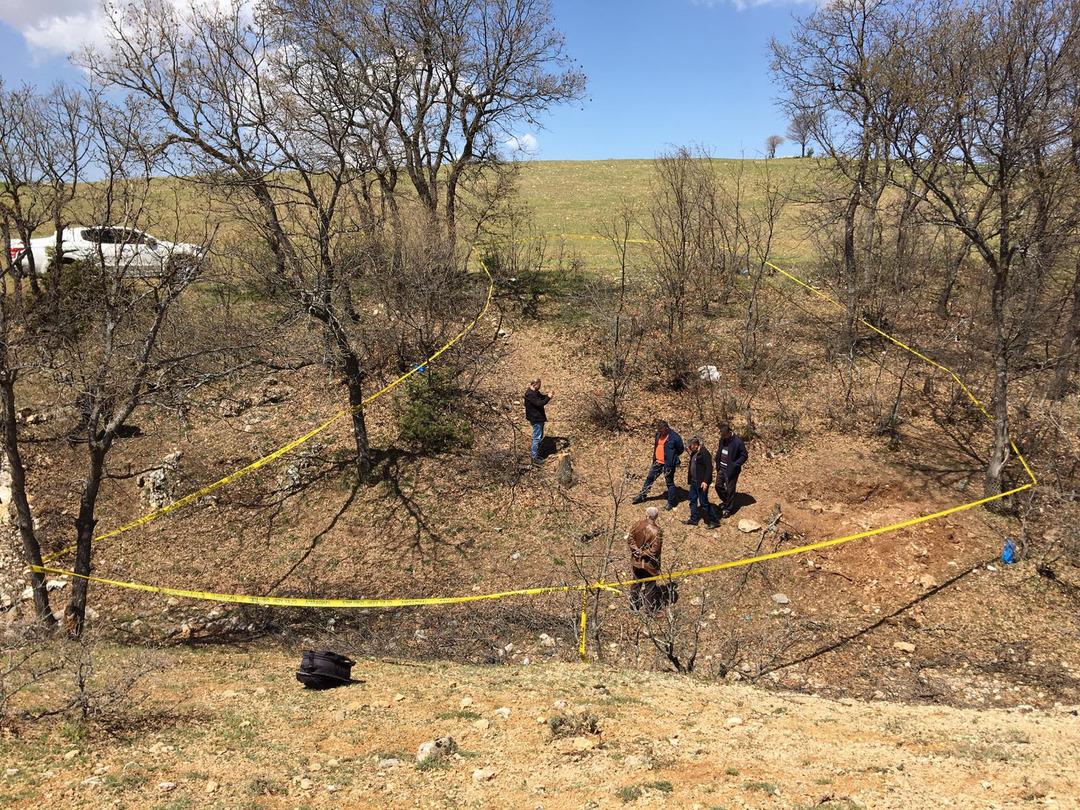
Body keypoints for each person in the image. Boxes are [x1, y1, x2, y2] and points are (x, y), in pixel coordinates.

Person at [632, 420, 684, 510]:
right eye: (659, 430)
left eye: (661, 430)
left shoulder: (675, 437)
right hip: (657, 462)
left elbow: (680, 449)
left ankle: (671, 502)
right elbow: (656, 446)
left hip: (668, 464)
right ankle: (642, 495)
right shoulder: (658, 435)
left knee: (669, 483)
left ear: (666, 428)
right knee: (649, 478)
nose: (660, 432)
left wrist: (672, 457)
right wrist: (654, 458)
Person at [627, 506, 663, 611]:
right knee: (650, 587)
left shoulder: (637, 524)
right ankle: (650, 611)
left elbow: (630, 539)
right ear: (656, 517)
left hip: (637, 561)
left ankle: (633, 606)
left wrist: (636, 551)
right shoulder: (657, 531)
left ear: (646, 515)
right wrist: (643, 553)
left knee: (636, 583)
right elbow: (655, 550)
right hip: (649, 564)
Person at [683, 436, 717, 528]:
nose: (689, 447)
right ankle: (694, 519)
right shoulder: (694, 453)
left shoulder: (704, 453)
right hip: (694, 482)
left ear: (695, 445)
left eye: (691, 445)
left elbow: (709, 468)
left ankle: (714, 521)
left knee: (704, 503)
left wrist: (705, 481)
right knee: (692, 499)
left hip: (701, 483)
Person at [715, 423, 748, 518]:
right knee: (718, 486)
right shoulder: (722, 439)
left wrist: (735, 464)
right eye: (722, 435)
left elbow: (744, 456)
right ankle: (727, 501)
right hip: (721, 468)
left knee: (730, 490)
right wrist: (717, 460)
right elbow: (720, 450)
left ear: (729, 432)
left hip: (731, 471)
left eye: (725, 435)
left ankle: (728, 509)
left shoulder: (738, 442)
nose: (723, 437)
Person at [523, 378, 551, 464]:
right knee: (537, 438)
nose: (540, 386)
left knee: (538, 437)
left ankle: (536, 455)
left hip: (538, 418)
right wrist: (548, 397)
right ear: (535, 385)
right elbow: (539, 403)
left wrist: (547, 396)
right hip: (536, 418)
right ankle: (534, 458)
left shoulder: (534, 392)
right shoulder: (530, 395)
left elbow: (541, 397)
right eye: (539, 385)